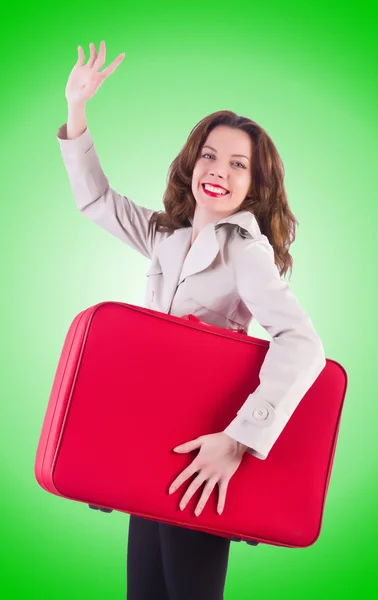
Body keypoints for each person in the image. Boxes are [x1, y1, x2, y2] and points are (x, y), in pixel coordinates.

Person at [56, 41, 326, 600]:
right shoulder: (168, 235)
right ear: (191, 161)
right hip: (156, 446)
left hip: (206, 448)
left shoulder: (246, 251)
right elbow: (97, 201)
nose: (219, 171)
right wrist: (77, 108)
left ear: (255, 184)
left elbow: (302, 343)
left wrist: (238, 441)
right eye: (210, 155)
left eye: (238, 164)